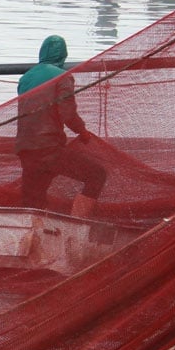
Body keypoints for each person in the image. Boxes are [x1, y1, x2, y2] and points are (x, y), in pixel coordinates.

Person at [15, 34, 107, 215]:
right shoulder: (63, 77)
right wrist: (83, 132)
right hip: (49, 148)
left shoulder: (26, 78)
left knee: (33, 199)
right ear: (63, 56)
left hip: (25, 148)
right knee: (97, 175)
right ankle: (78, 222)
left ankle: (33, 233)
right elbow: (67, 113)